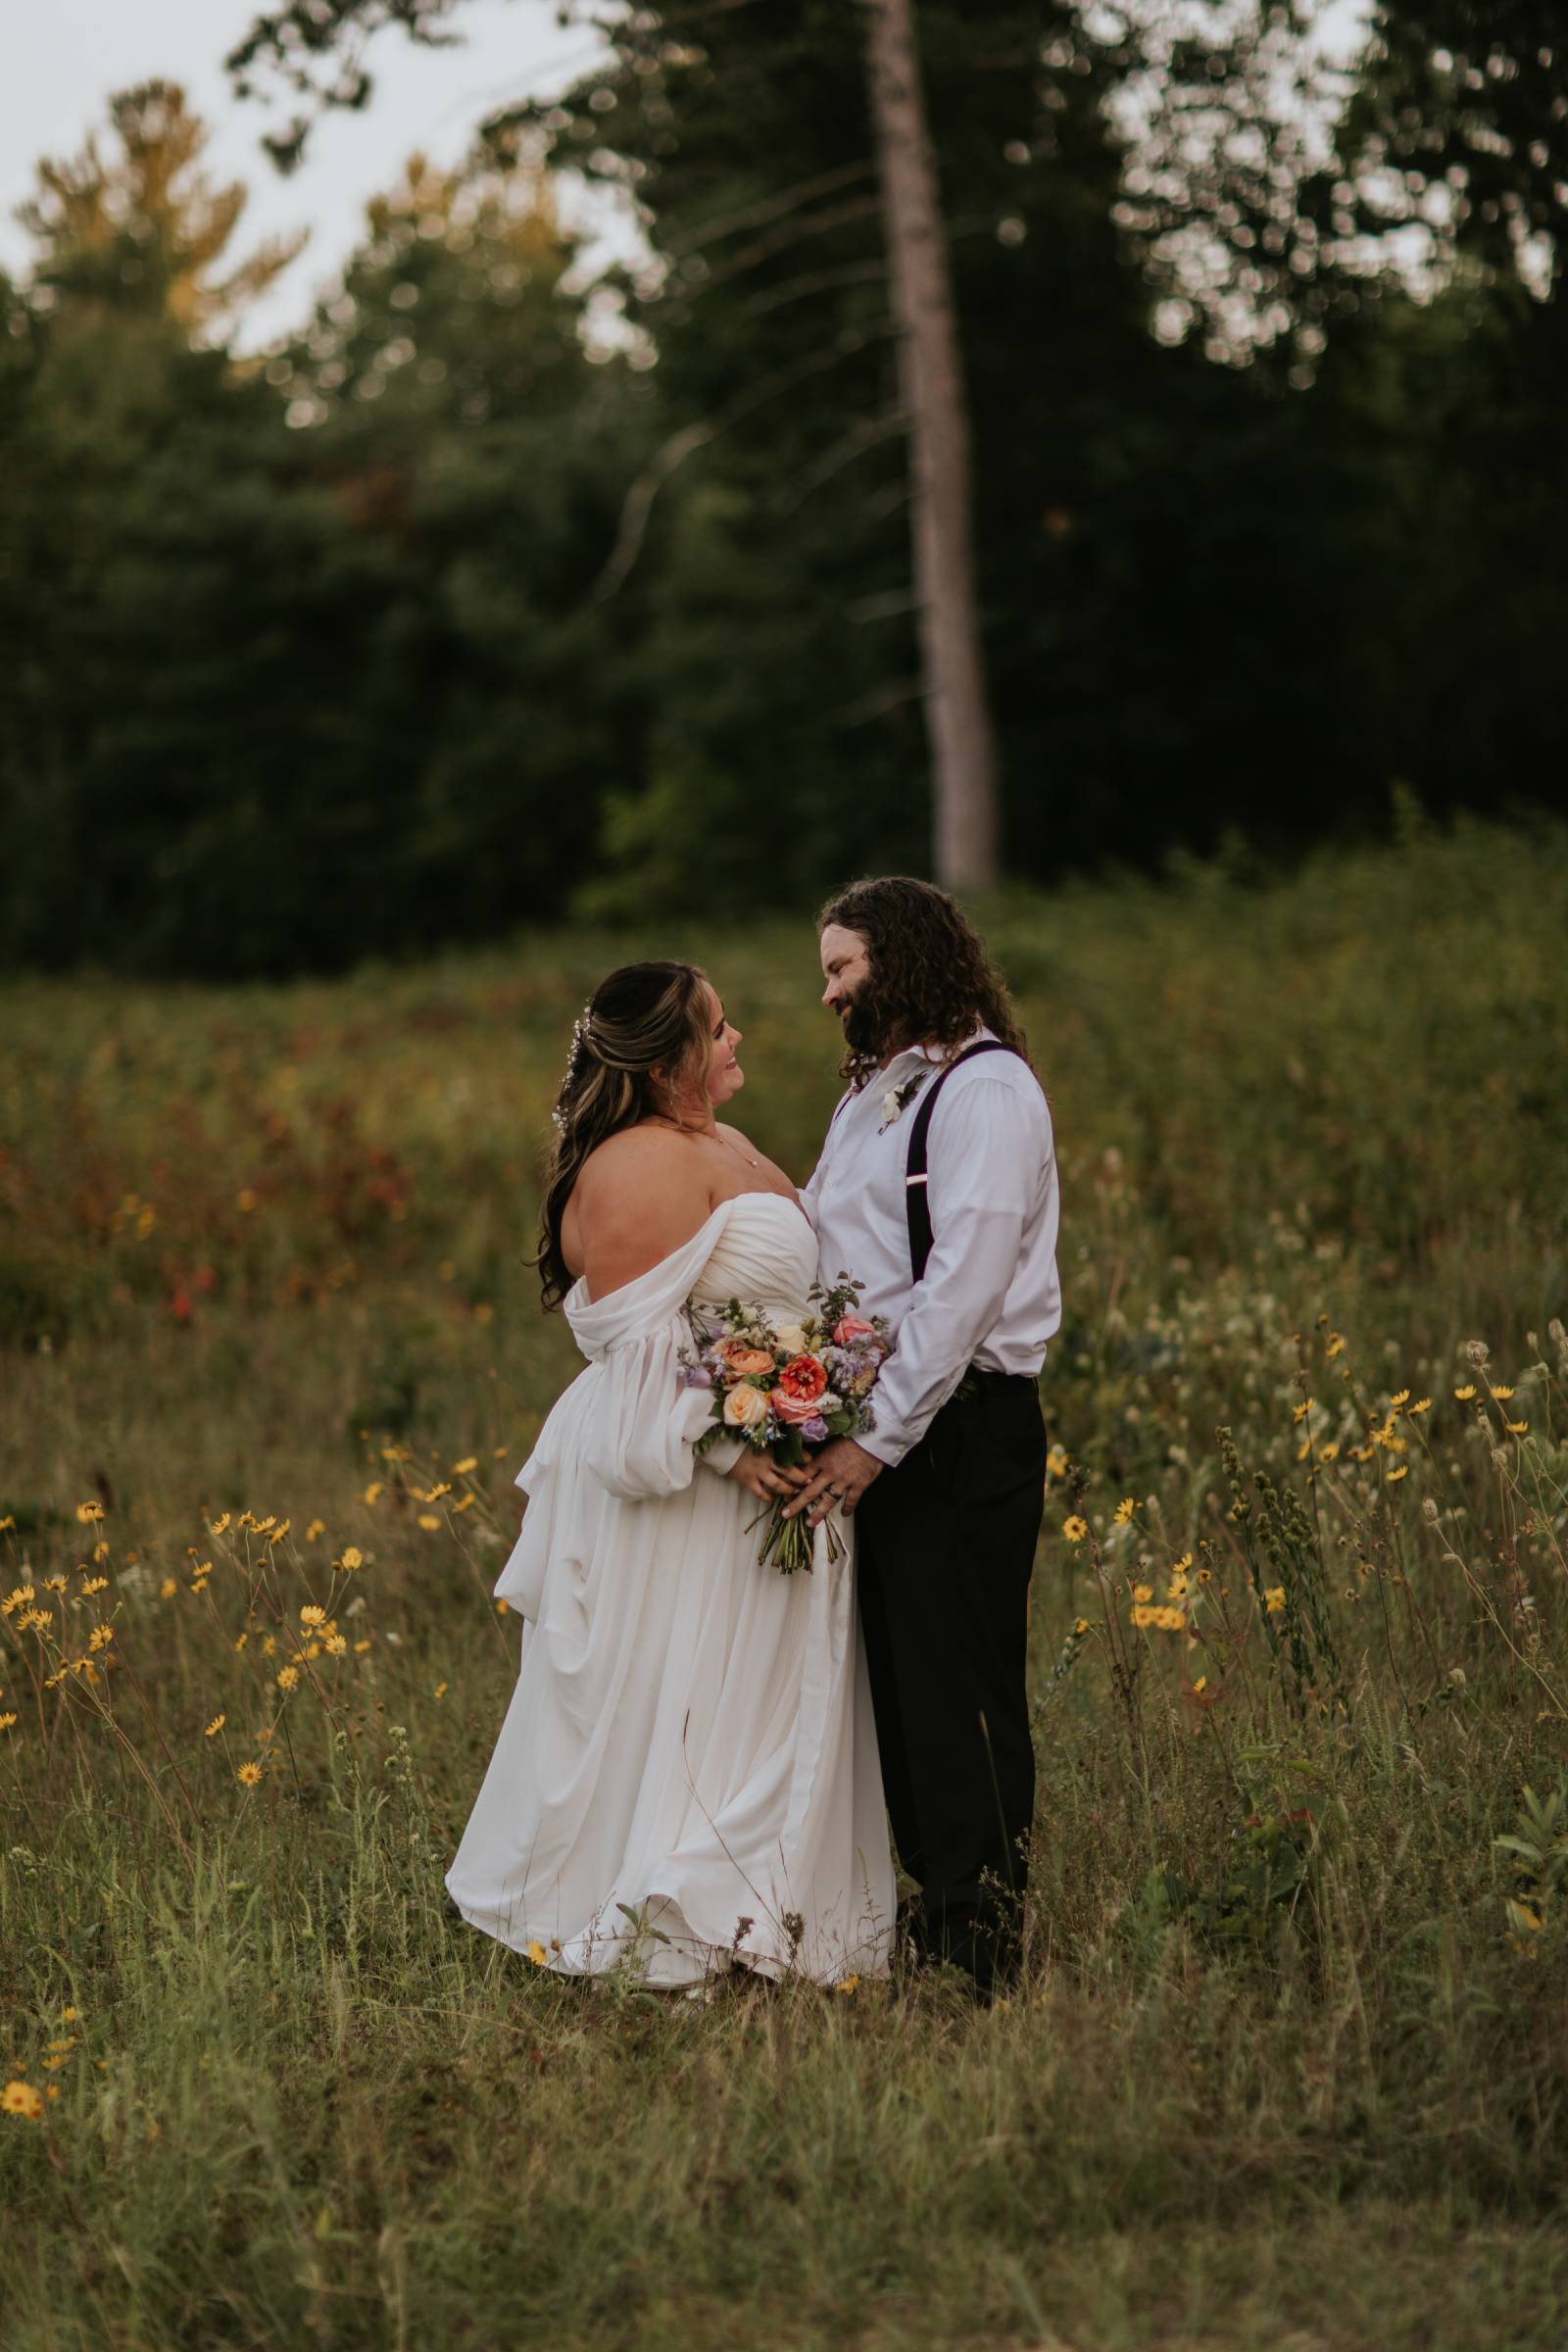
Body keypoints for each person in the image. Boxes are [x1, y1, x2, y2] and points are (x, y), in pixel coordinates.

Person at [446, 960, 894, 1988]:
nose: (737, 1040)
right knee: (690, 1700)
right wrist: (738, 1442)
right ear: (665, 1063)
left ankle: (767, 1912)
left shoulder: (721, 1141)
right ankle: (675, 1913)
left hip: (775, 1456)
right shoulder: (638, 1164)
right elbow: (635, 1355)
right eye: (718, 1027)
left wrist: (818, 1385)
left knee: (754, 1698)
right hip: (698, 1486)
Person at [787, 879, 1060, 1994]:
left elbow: (962, 1288)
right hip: (885, 1419)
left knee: (962, 1693)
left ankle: (980, 1949)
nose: (828, 994)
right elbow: (818, 1232)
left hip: (960, 1424)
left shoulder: (985, 1091)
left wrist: (875, 1441)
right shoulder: (873, 1094)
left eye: (841, 969)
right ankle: (934, 1916)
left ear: (900, 960)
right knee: (899, 1693)